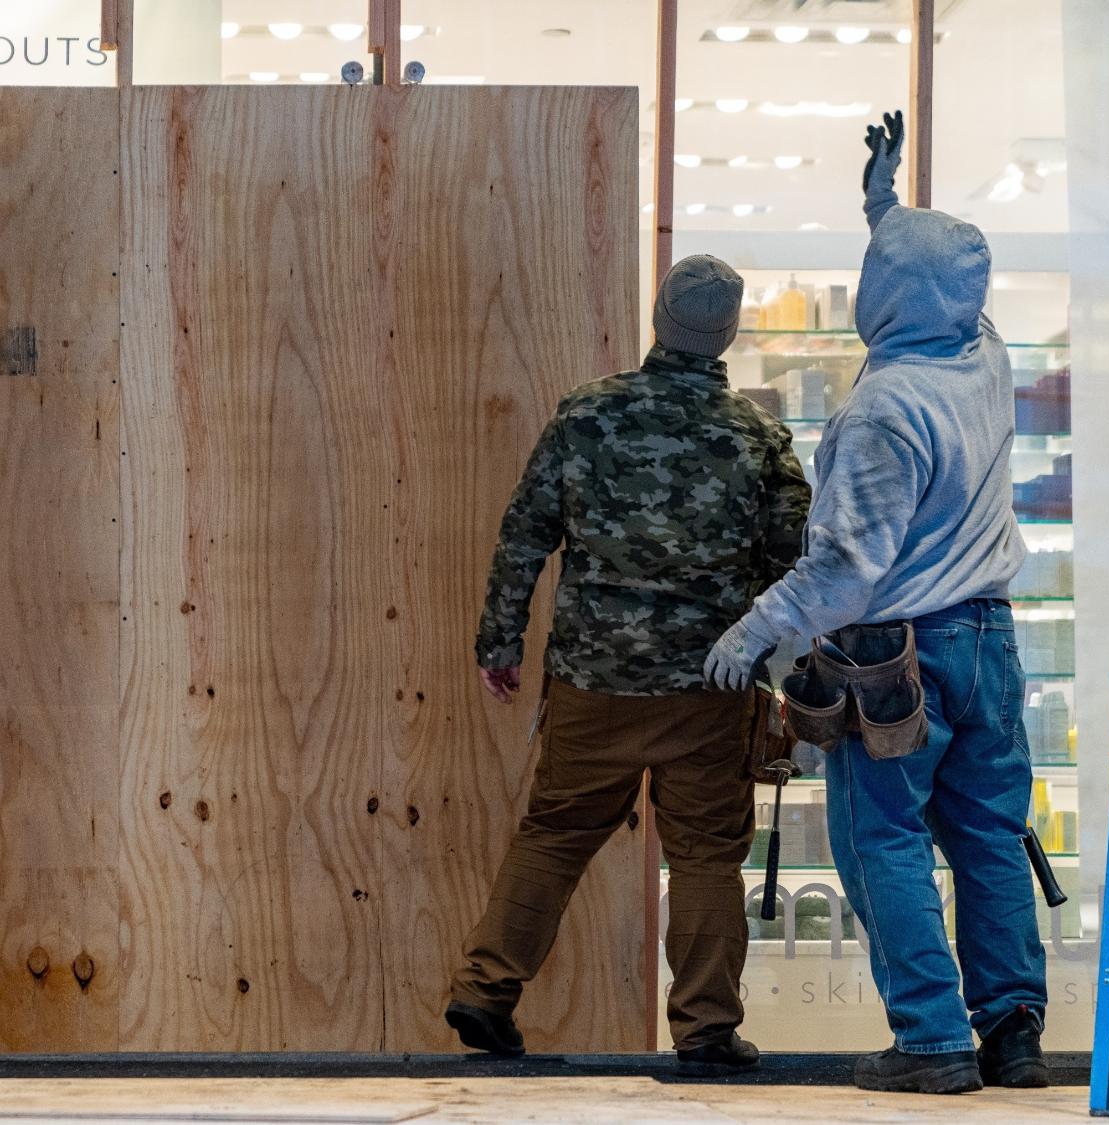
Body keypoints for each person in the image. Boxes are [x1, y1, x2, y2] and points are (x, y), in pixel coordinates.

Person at [705, 111, 1048, 1094]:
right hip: (991, 640)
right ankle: (1013, 1033)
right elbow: (936, 279)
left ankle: (934, 1043)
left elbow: (847, 573)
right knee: (988, 834)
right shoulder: (983, 351)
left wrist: (753, 632)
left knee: (883, 839)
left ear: (881, 294)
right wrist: (883, 207)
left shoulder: (879, 413)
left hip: (899, 659)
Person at [446, 255, 811, 1073]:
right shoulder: (757, 436)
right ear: (728, 333)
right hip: (713, 689)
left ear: (658, 317)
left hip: (592, 680)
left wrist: (498, 644)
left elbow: (524, 533)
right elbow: (799, 559)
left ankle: (486, 989)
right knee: (708, 855)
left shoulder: (586, 413)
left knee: (553, 834)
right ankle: (707, 1028)